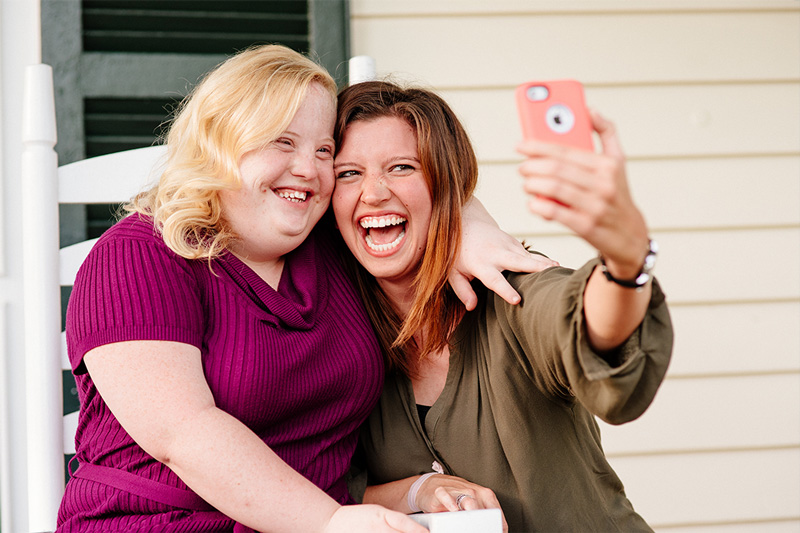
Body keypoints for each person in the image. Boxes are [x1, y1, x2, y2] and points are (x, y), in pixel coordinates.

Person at [56, 46, 552, 533]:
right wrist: (329, 521)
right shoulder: (141, 256)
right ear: (219, 142)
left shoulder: (334, 249)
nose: (309, 169)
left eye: (325, 151)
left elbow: (418, 193)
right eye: (283, 142)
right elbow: (182, 433)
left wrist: (472, 226)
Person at [331, 80, 674, 532]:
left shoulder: (509, 293)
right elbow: (328, 494)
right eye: (348, 173)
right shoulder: (337, 330)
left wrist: (625, 261)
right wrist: (418, 490)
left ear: (445, 185)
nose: (373, 192)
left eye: (401, 167)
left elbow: (587, 324)